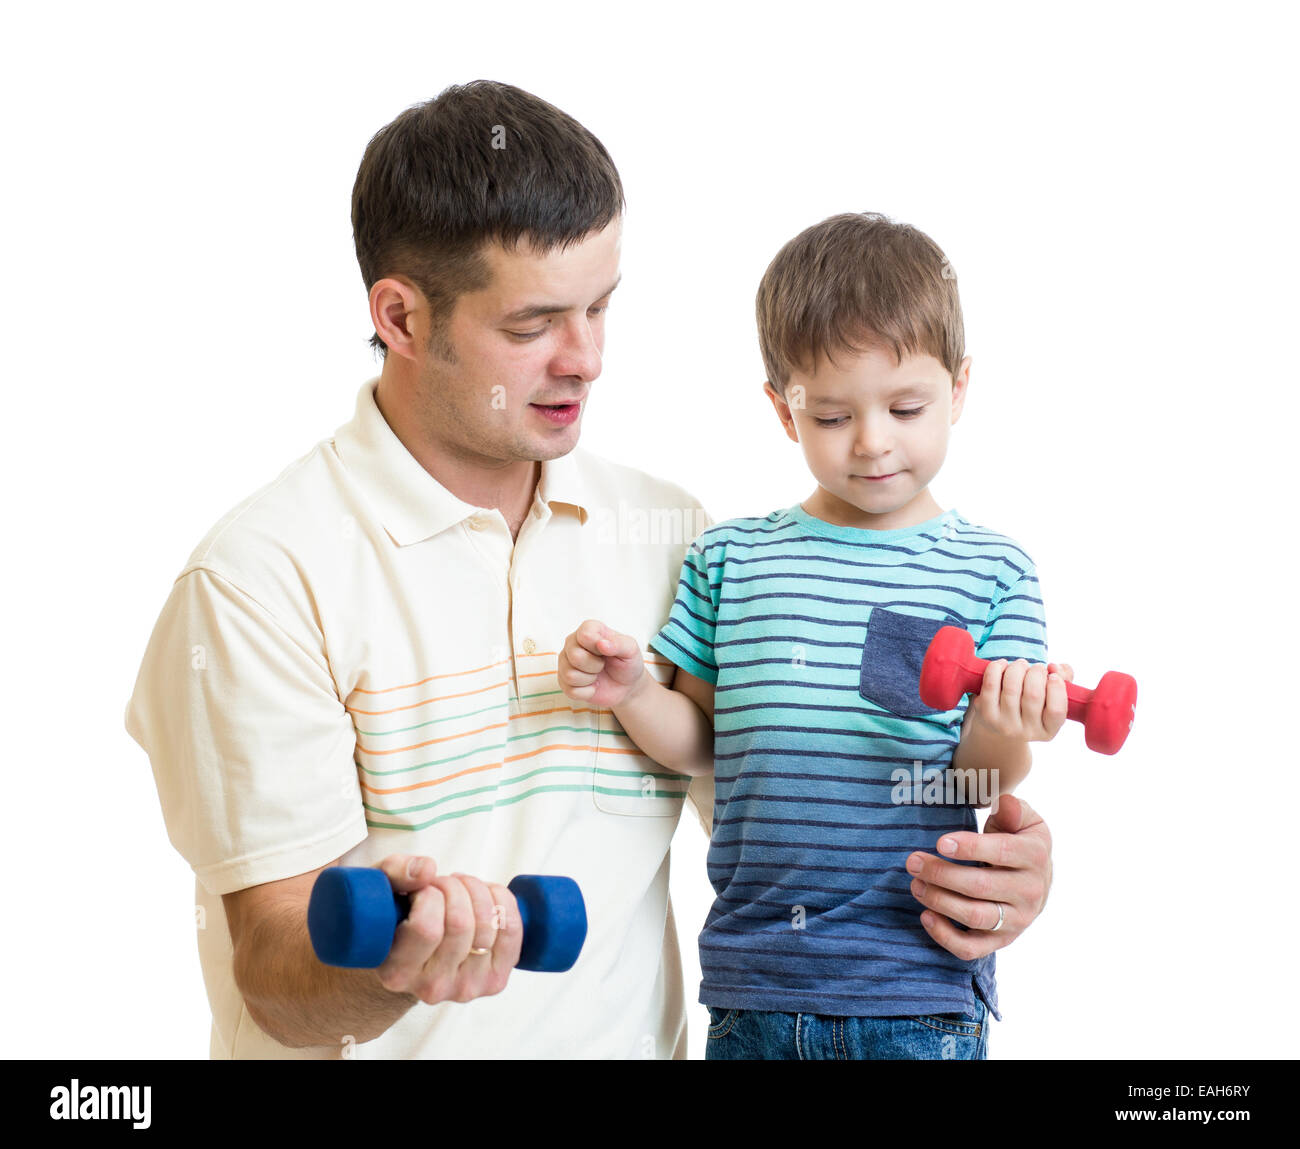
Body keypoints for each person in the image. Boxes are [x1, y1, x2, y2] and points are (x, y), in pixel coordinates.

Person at [124, 82, 1055, 1060]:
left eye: (600, 307)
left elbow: (792, 805)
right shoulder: (256, 584)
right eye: (533, 325)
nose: (588, 359)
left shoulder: (677, 538)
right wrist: (396, 960)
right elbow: (276, 977)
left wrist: (989, 868)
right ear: (400, 317)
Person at [557, 211, 1067, 1059]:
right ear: (783, 409)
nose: (873, 442)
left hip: (916, 987)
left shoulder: (994, 572)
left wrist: (1005, 727)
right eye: (832, 416)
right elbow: (703, 745)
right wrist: (635, 692)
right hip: (754, 986)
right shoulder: (732, 559)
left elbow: (981, 777)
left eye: (907, 407)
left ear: (960, 388)